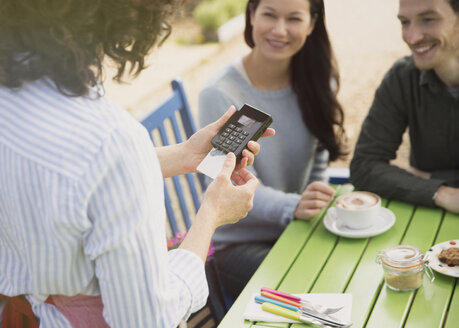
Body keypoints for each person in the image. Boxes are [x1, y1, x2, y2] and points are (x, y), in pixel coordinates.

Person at [0, 0, 275, 327]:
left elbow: (68, 180)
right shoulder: (111, 142)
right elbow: (146, 319)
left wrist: (183, 155)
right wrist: (210, 216)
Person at [198, 0, 346, 300]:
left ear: (312, 23)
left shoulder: (317, 80)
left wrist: (313, 200)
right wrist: (293, 207)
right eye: (269, 14)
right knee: (320, 288)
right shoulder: (221, 93)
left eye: (294, 18)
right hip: (238, 244)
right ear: (251, 15)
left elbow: (317, 162)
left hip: (296, 228)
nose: (280, 30)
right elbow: (223, 184)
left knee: (352, 268)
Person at [350, 0, 459, 213]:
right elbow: (364, 167)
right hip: (425, 219)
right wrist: (442, 192)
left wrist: (426, 177)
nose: (412, 37)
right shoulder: (402, 78)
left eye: (428, 19)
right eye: (404, 22)